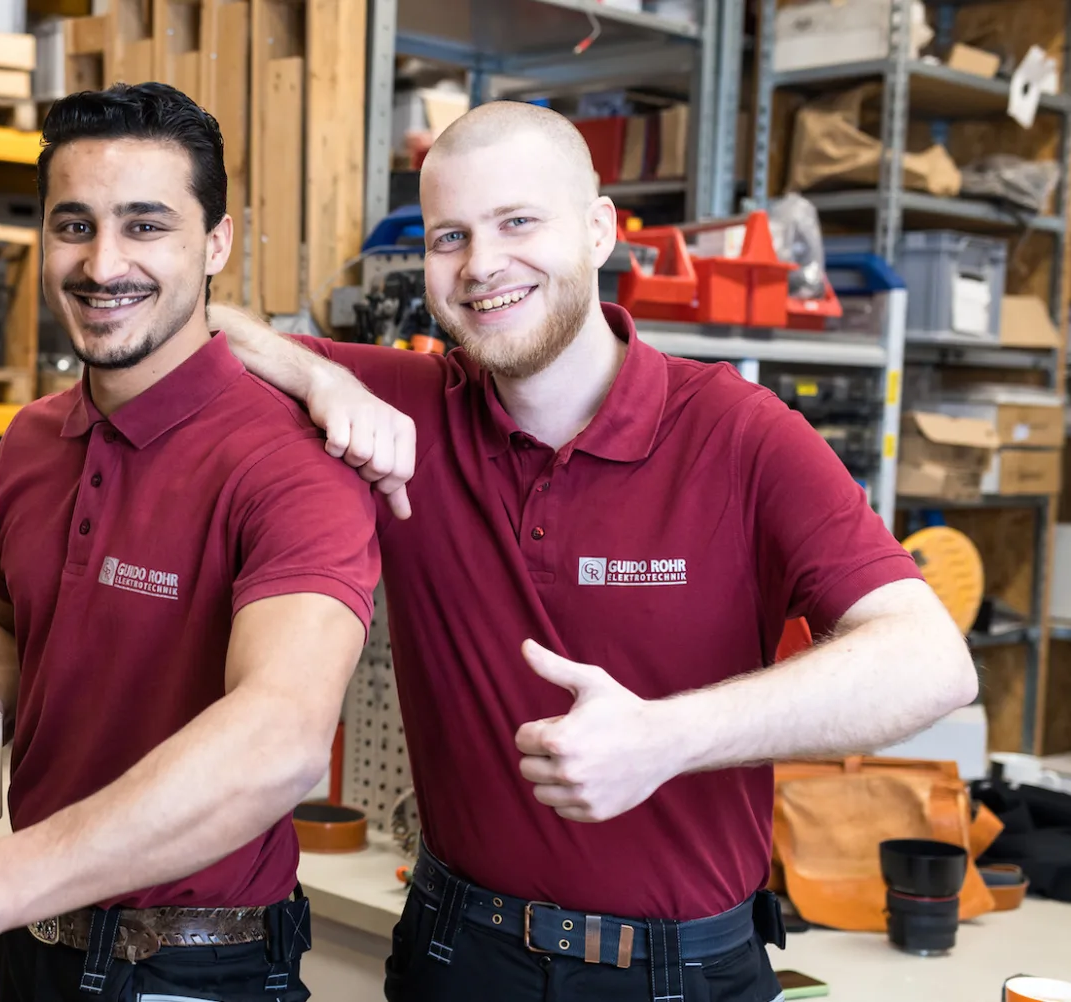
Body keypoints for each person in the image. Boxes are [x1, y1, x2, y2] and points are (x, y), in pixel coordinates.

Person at [208, 100, 979, 1002]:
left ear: (600, 229)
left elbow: (932, 662)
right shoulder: (410, 409)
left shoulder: (738, 434)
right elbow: (199, 326)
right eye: (450, 236)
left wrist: (667, 737)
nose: (482, 264)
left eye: (517, 222)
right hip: (459, 958)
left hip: (687, 973)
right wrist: (323, 377)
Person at [0, 82, 383, 1001]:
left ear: (217, 245)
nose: (103, 263)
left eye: (146, 226)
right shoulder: (33, 439)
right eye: (74, 226)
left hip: (195, 966)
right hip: (37, 945)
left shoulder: (289, 461)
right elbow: (7, 616)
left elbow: (282, 739)